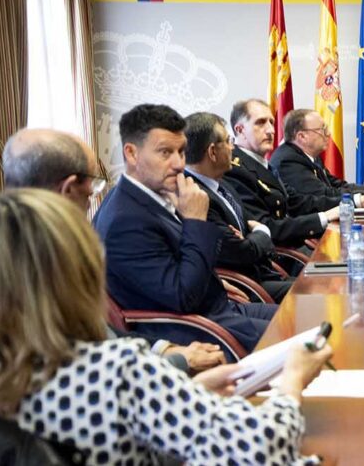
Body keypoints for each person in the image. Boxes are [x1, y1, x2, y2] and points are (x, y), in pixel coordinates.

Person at [0, 188, 333, 463]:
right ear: (81, 268)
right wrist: (293, 380)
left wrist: (188, 395)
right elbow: (261, 448)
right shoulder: (116, 372)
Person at [2, 128, 225, 372]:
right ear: (67, 190)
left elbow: (102, 334)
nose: (91, 200)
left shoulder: (24, 243)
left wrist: (163, 349)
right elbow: (86, 370)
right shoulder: (36, 266)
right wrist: (180, 361)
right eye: (92, 186)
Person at [93, 104, 278, 352]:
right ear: (131, 153)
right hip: (196, 330)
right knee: (302, 335)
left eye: (181, 152)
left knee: (303, 316)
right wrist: (195, 222)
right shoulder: (124, 220)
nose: (179, 164)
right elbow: (182, 296)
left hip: (220, 307)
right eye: (165, 152)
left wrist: (216, 280)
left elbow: (178, 267)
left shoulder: (152, 196)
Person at [183, 112, 294, 303]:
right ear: (212, 152)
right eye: (228, 141)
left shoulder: (224, 185)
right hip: (244, 288)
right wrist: (261, 231)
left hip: (264, 273)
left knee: (322, 283)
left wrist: (253, 234)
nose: (232, 147)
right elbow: (242, 251)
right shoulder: (196, 197)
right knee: (316, 292)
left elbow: (250, 228)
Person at [225, 99, 341, 248]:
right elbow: (267, 227)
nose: (271, 130)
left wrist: (354, 203)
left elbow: (297, 201)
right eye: (260, 123)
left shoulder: (262, 164)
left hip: (294, 244)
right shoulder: (235, 169)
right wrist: (324, 217)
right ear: (240, 130)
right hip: (278, 256)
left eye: (271, 122)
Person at [270, 108, 364, 202]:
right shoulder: (287, 161)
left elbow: (340, 185)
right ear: (302, 136)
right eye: (322, 129)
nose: (329, 134)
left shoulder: (311, 156)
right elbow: (324, 194)